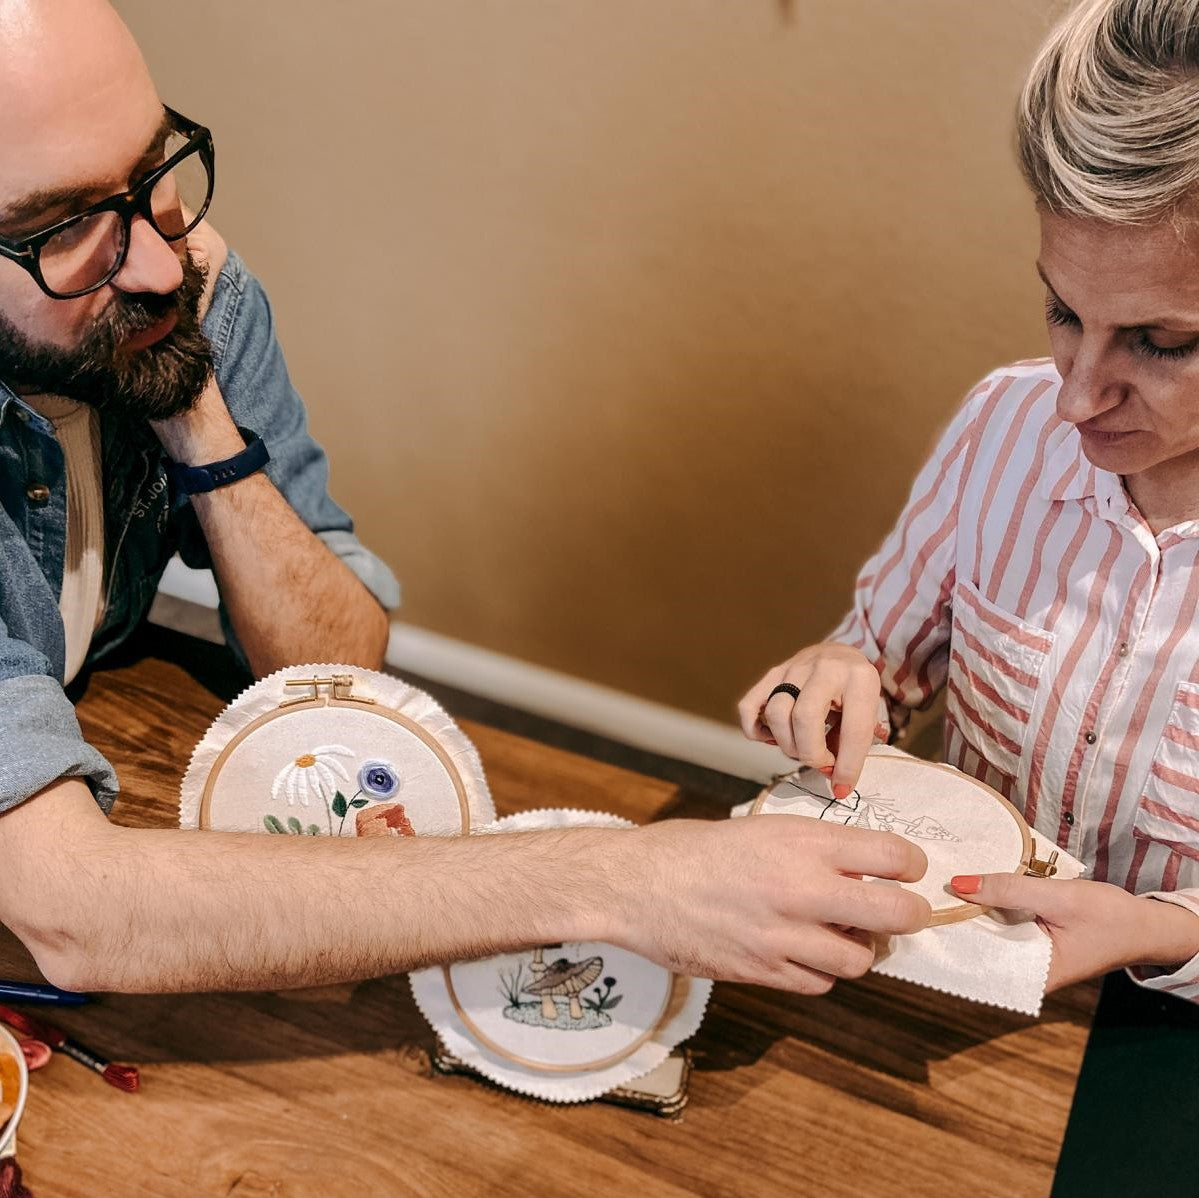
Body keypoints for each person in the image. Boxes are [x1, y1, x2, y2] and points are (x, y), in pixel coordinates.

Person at [0, 0, 932, 998]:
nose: (153, 257)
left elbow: (334, 665)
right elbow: (78, 910)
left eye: (154, 171)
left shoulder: (173, 292)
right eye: (65, 228)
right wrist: (619, 881)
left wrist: (195, 416)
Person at [742, 0, 1199, 1001]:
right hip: (944, 980)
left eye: (1160, 344)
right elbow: (880, 665)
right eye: (1061, 311)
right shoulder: (1002, 422)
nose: (1075, 396)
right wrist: (833, 678)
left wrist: (1165, 934)